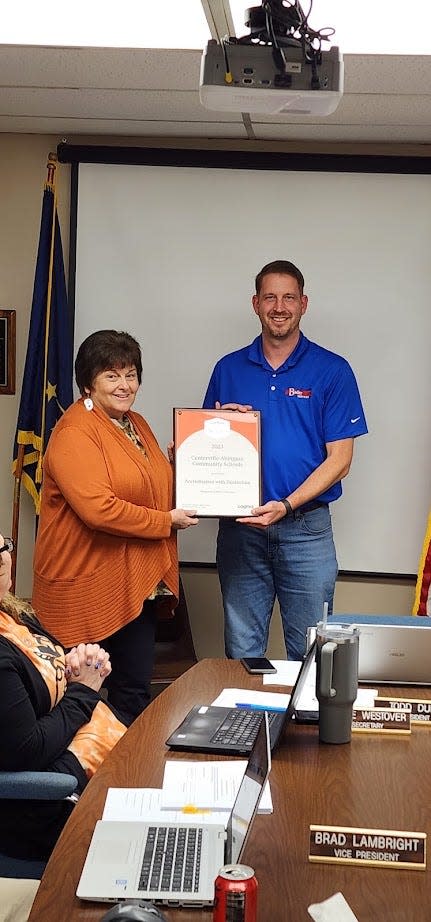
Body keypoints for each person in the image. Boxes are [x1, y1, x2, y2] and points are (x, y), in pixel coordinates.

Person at [203, 260, 367, 661]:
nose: (280, 306)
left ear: (304, 304)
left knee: (311, 654)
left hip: (305, 531)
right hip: (241, 532)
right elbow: (204, 447)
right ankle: (246, 727)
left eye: (289, 297)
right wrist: (201, 441)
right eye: (270, 297)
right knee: (243, 654)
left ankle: (303, 727)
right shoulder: (228, 368)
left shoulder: (333, 370)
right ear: (255, 303)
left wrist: (287, 505)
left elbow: (341, 460)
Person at [33, 330, 198, 726]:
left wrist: (187, 465)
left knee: (132, 693)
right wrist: (165, 523)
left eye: (130, 374)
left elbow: (151, 489)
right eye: (111, 375)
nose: (124, 385)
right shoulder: (74, 432)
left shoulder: (135, 423)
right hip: (85, 586)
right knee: (74, 698)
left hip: (134, 588)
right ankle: (74, 782)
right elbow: (99, 510)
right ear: (88, 382)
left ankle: (121, 778)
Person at [0, 534, 126, 862]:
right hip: (42, 805)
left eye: (3, 546)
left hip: (88, 760)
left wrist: (76, 664)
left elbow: (44, 685)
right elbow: (26, 751)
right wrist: (84, 690)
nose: (1, 558)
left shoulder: (13, 613)